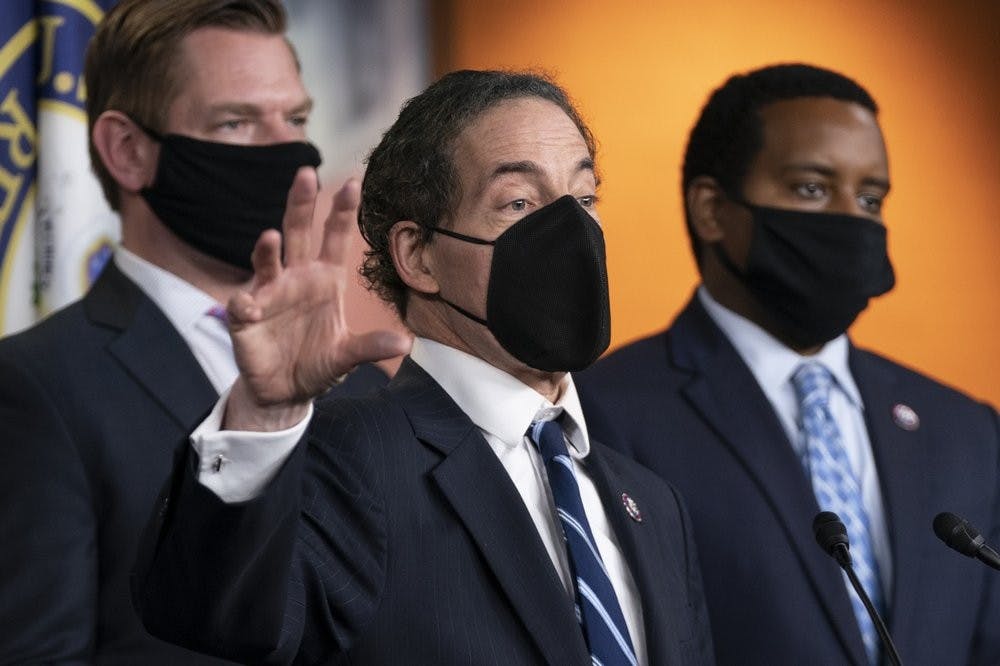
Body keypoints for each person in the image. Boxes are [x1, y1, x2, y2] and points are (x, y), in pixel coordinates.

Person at [133, 69, 714, 665]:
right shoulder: (347, 457)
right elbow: (214, 615)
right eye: (518, 203)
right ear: (417, 255)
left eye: (584, 198)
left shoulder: (653, 503)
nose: (570, 231)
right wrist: (263, 412)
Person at [0, 1, 389, 662]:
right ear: (128, 151)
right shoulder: (36, 386)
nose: (289, 155)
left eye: (294, 119)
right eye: (237, 122)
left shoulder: (361, 389)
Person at [576, 63, 1000, 665]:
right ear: (712, 211)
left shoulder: (965, 431)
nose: (852, 218)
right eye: (811, 188)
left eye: (871, 197)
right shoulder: (601, 414)